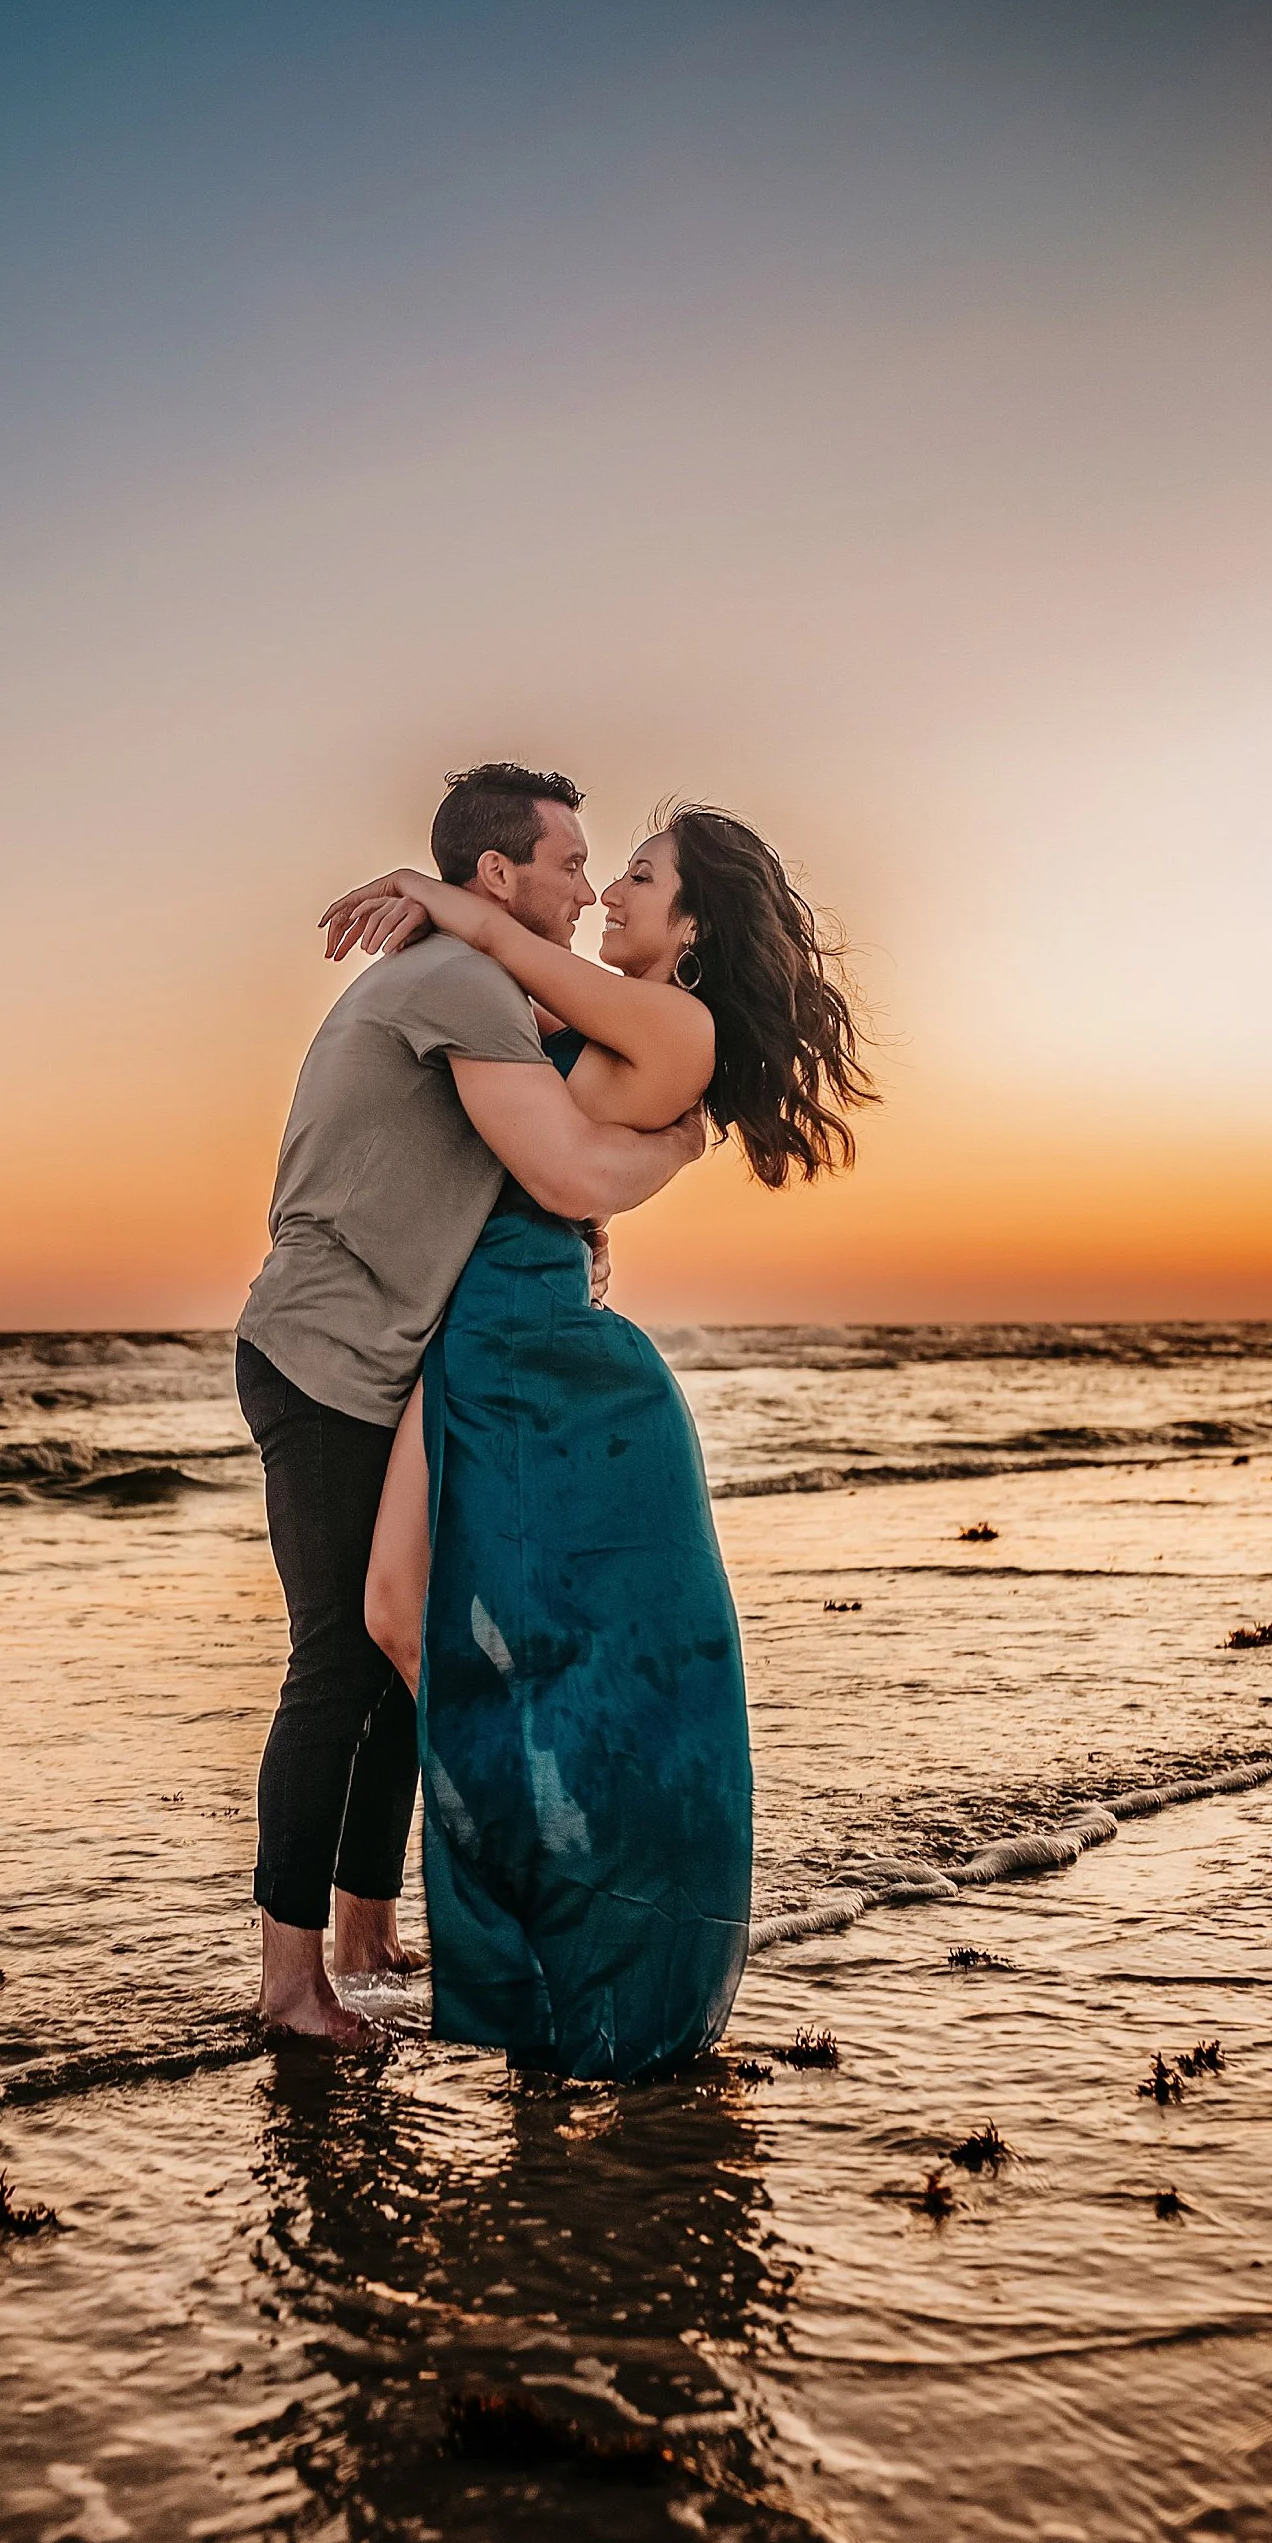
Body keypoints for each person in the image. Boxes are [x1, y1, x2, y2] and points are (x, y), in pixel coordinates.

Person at [320, 802, 875, 2079]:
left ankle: (570, 1958)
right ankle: (539, 1929)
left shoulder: (673, 1018)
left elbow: (519, 970)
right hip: (481, 1336)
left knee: (516, 1649)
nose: (613, 891)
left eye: (640, 876)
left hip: (549, 1361)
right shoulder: (589, 1018)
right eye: (608, 869)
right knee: (400, 1612)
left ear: (692, 924)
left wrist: (434, 884)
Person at [236, 765, 707, 2049]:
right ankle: (289, 1988)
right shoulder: (461, 980)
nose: (584, 880)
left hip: (374, 1353)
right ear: (495, 877)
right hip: (328, 1353)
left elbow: (535, 1161)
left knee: (400, 1653)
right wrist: (668, 1152)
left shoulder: (481, 978)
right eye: (567, 860)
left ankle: (365, 1931)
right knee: (340, 1654)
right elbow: (553, 1160)